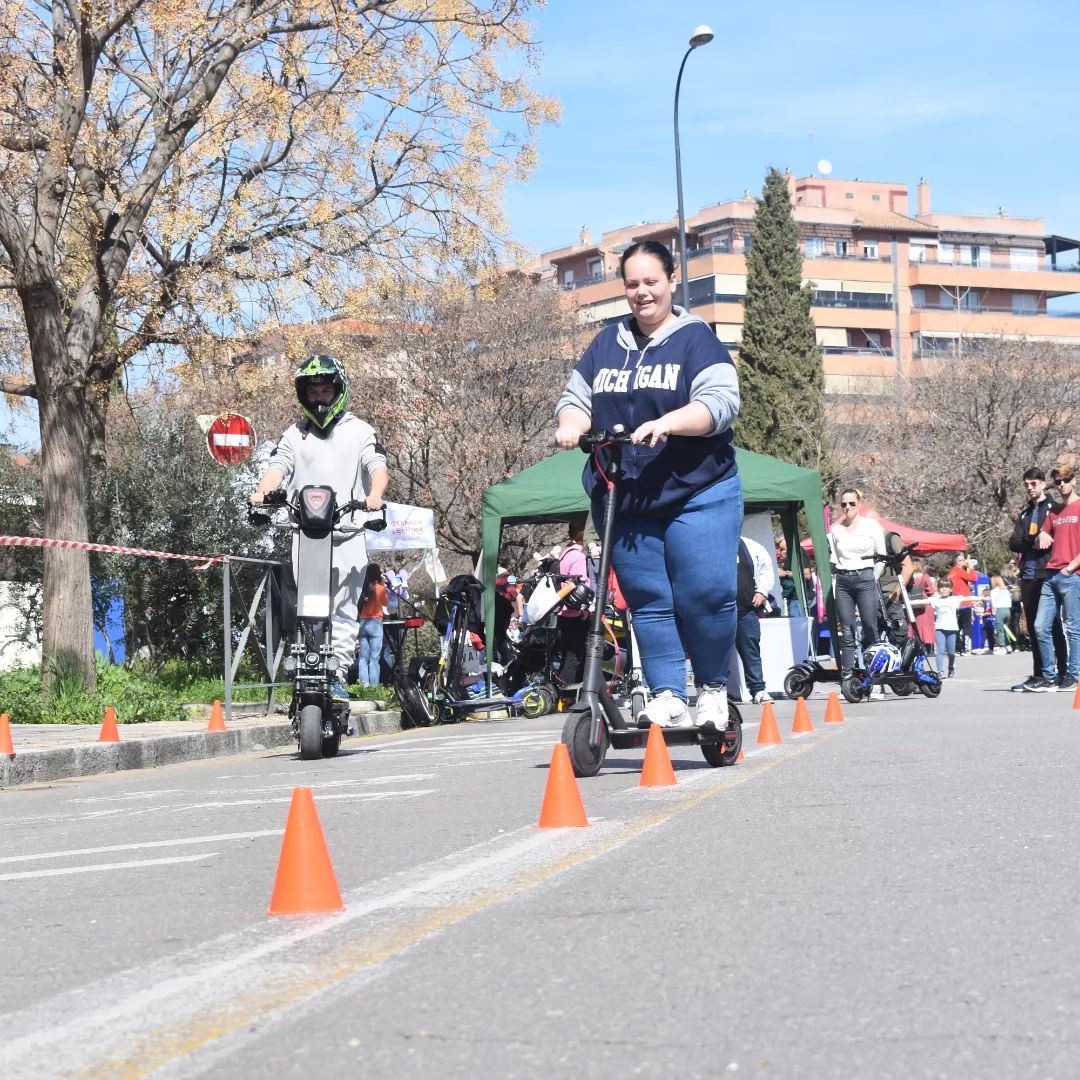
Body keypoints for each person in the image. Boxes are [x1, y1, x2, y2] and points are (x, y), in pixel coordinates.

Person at [554, 239, 741, 730]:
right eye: (632, 284)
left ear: (672, 281)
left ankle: (714, 690)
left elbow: (721, 402)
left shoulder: (696, 338)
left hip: (697, 490)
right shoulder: (606, 343)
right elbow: (576, 397)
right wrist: (571, 422)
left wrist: (674, 421)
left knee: (705, 593)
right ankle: (667, 692)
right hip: (624, 491)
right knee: (647, 599)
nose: (642, 293)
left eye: (651, 282)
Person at [252, 354, 389, 700]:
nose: (320, 398)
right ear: (304, 395)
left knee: (343, 608)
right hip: (306, 534)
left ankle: (338, 673)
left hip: (348, 532)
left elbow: (377, 466)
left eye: (326, 390)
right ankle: (306, 666)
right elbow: (277, 467)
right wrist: (261, 492)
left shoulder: (360, 430)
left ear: (338, 391)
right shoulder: (294, 434)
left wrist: (375, 496)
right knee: (309, 606)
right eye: (313, 392)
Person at [1008, 466, 1068, 691]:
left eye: (1034, 483)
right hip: (1028, 574)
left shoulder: (1053, 508)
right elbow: (1014, 542)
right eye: (1026, 484)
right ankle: (1039, 673)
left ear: (1043, 483)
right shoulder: (1025, 513)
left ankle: (1062, 672)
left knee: (1051, 626)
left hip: (1048, 572)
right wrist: (1033, 537)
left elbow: (1053, 539)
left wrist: (1031, 538)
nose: (1030, 488)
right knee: (1033, 628)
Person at [1029, 464, 1080, 693]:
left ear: (1074, 480)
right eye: (1058, 482)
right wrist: (1042, 533)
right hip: (1051, 575)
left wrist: (1070, 568)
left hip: (1071, 575)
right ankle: (1050, 676)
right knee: (1040, 626)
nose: (1062, 485)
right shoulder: (1055, 512)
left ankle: (1073, 675)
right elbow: (1044, 531)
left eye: (1065, 480)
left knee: (1073, 628)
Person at [828, 488, 886, 678]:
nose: (847, 507)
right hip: (843, 580)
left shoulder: (871, 525)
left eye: (852, 503)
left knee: (870, 626)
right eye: (844, 504)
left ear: (859, 504)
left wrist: (872, 576)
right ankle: (847, 675)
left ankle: (876, 675)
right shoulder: (836, 529)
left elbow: (882, 557)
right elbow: (834, 559)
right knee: (846, 629)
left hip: (865, 577)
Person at [734, 535, 775, 704]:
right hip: (717, 612)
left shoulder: (751, 545)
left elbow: (766, 568)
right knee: (715, 653)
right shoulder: (710, 541)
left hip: (745, 610)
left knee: (751, 651)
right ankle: (714, 691)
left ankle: (758, 690)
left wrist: (762, 591)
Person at [910, 579, 975, 678]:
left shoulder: (954, 599)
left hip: (952, 629)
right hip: (940, 629)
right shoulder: (935, 600)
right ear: (939, 589)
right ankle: (940, 671)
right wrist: (907, 603)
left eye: (946, 587)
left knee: (951, 652)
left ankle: (951, 667)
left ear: (950, 589)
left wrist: (984, 597)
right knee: (940, 650)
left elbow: (969, 598)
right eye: (941, 587)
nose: (944, 589)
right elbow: (922, 601)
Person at [556, 518, 590, 688]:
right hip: (575, 615)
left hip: (563, 613)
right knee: (575, 658)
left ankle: (564, 692)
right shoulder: (578, 556)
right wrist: (585, 608)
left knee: (569, 656)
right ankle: (567, 694)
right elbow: (579, 586)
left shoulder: (565, 554)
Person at [356, 563, 387, 686]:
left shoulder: (362, 588)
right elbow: (385, 603)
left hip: (363, 623)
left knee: (363, 658)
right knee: (374, 658)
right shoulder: (380, 588)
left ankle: (364, 685)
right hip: (376, 623)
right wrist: (383, 585)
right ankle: (374, 686)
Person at [947, 553, 978, 654]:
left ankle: (957, 648)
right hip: (964, 603)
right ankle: (966, 649)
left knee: (957, 627)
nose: (965, 561)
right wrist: (972, 568)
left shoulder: (951, 572)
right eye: (962, 560)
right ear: (957, 562)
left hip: (955, 603)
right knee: (966, 627)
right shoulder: (959, 571)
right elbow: (974, 578)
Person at [909, 559, 937, 654]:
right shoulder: (925, 576)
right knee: (927, 626)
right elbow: (931, 590)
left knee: (914, 625)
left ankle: (916, 645)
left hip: (912, 602)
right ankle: (928, 647)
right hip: (924, 602)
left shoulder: (908, 577)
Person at [775, 534, 803, 617]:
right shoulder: (788, 559)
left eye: (780, 544)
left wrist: (785, 573)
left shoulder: (798, 553)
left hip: (797, 598)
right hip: (793, 598)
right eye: (778, 547)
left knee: (798, 625)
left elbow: (806, 575)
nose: (780, 549)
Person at [990, 575, 1013, 654]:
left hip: (999, 609)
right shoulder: (1005, 590)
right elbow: (1009, 601)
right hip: (1007, 609)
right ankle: (1008, 645)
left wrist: (994, 612)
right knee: (1006, 628)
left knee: (999, 629)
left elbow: (993, 603)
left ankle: (1002, 647)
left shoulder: (993, 591)